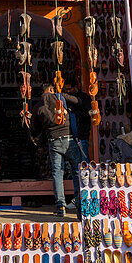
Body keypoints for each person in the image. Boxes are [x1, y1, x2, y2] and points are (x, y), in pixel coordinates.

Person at [35, 87, 86, 217]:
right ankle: (81, 206)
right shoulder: (60, 97)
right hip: (70, 140)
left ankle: (61, 206)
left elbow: (35, 129)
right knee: (76, 172)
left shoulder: (38, 105)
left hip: (54, 141)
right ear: (51, 89)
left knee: (57, 173)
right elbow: (78, 101)